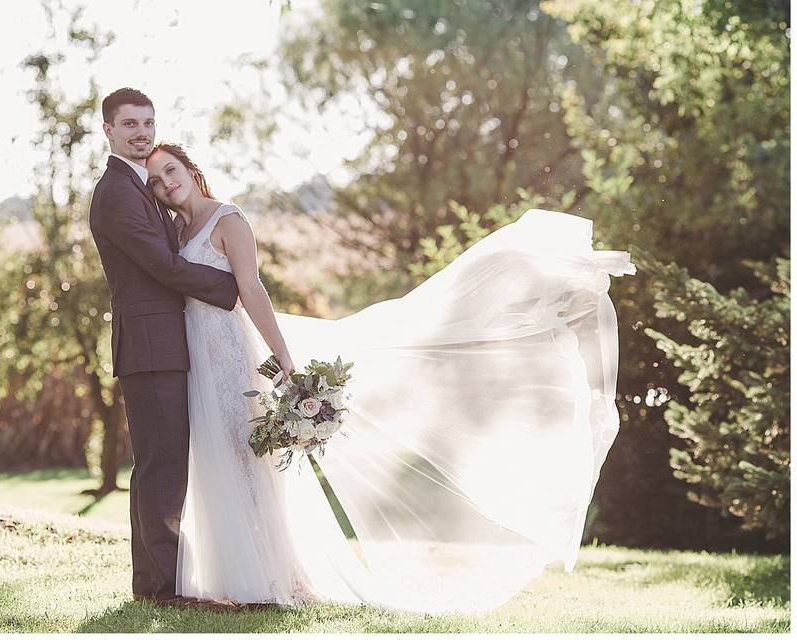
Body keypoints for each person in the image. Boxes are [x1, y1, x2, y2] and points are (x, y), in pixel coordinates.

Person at [145, 141, 637, 615]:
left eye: (172, 170)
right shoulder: (177, 233)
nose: (167, 183)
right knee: (214, 460)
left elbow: (252, 290)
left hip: (232, 354)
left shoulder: (228, 219)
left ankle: (272, 576)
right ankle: (227, 576)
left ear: (191, 170)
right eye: (156, 179)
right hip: (198, 362)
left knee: (250, 461)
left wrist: (283, 360)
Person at [87, 88, 241, 609]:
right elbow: (162, 267)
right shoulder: (116, 192)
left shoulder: (139, 187)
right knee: (161, 467)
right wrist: (230, 288)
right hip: (150, 348)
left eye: (148, 122)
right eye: (130, 123)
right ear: (108, 130)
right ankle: (160, 589)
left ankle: (156, 584)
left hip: (166, 346)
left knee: (164, 464)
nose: (142, 132)